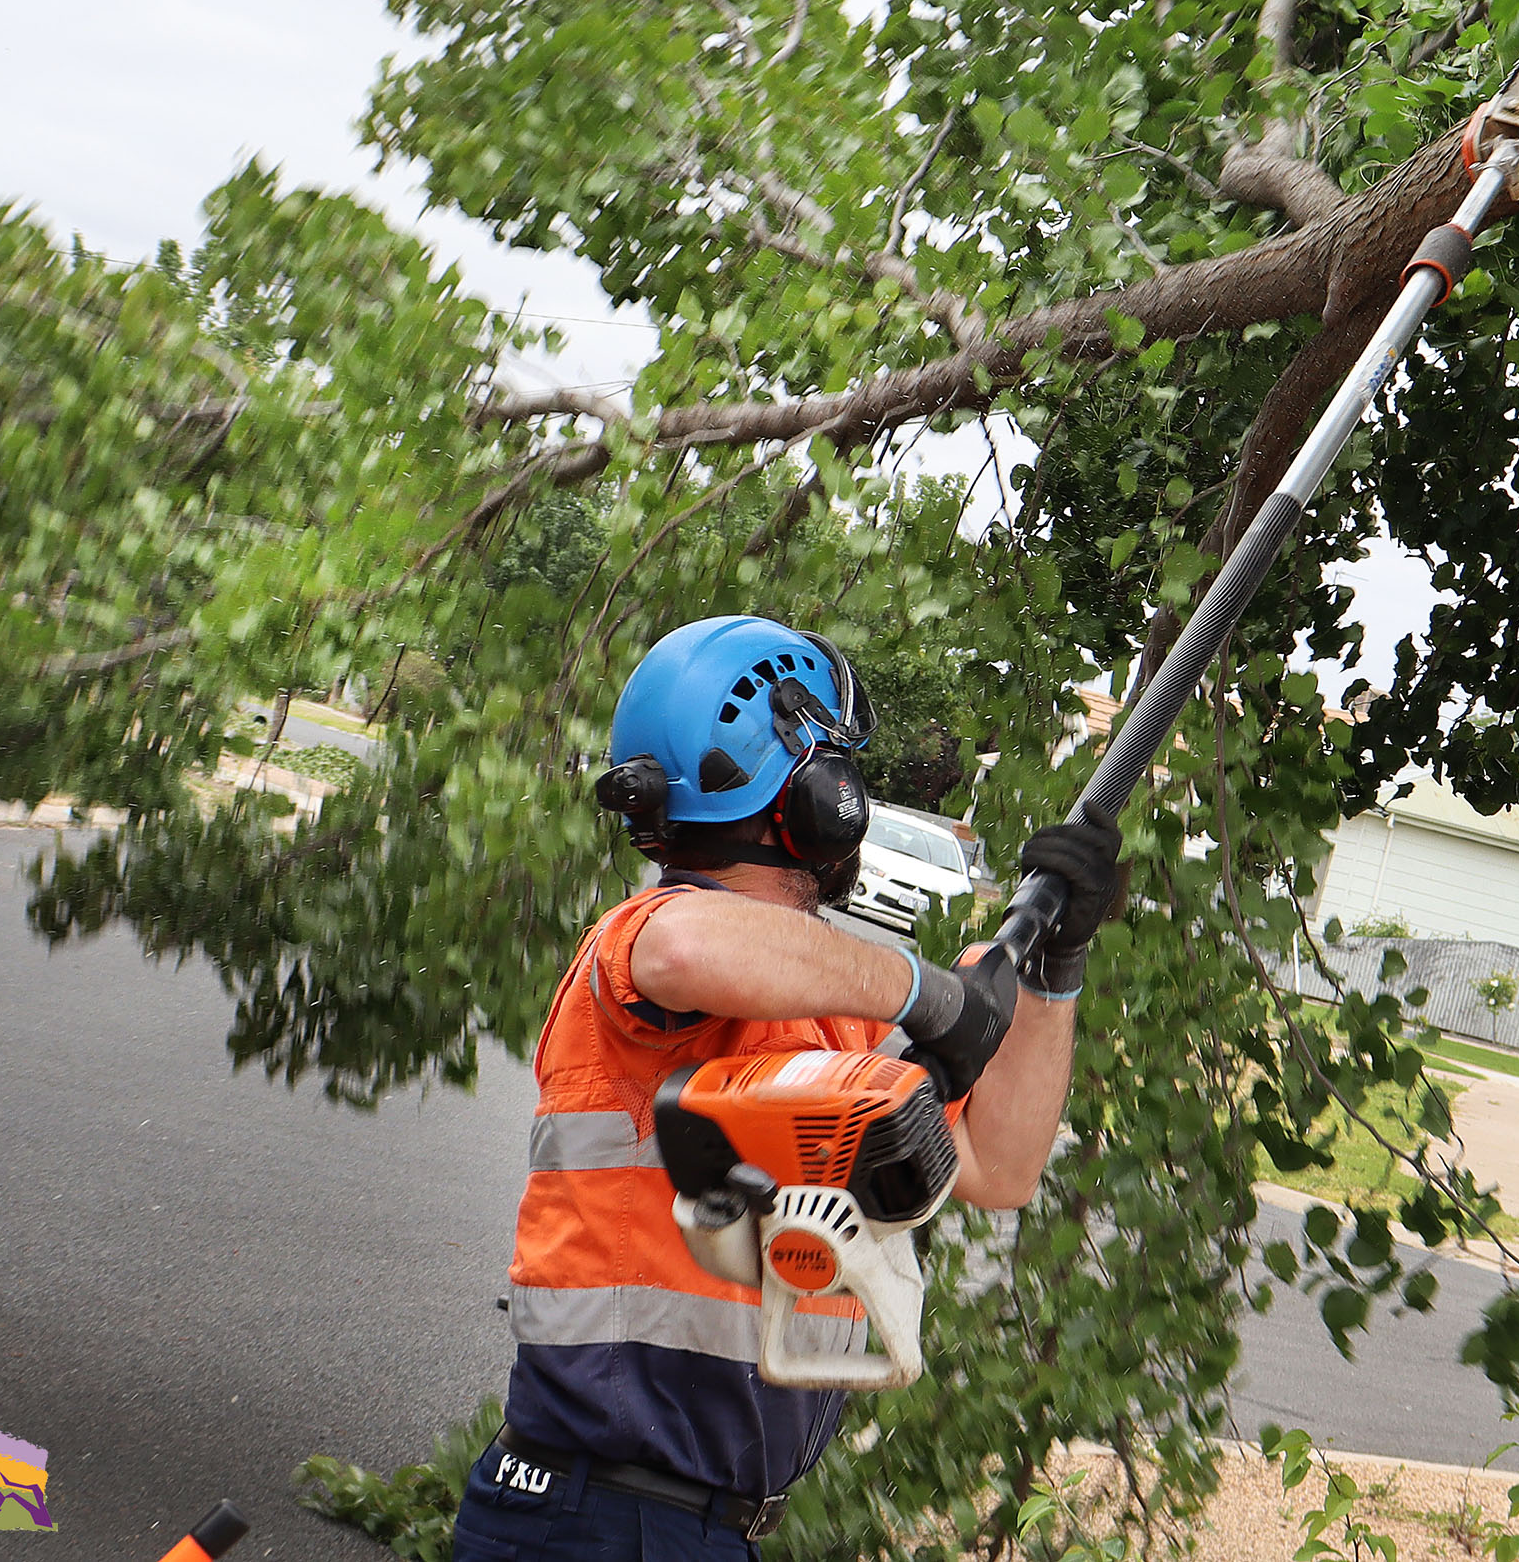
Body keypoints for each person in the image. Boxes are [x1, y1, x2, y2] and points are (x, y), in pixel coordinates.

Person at [450, 615, 1122, 1561]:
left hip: (691, 1524)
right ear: (816, 795)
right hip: (594, 1512)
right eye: (845, 767)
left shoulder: (835, 1020)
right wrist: (929, 993)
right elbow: (689, 945)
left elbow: (999, 1168)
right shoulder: (643, 945)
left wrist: (1054, 970)